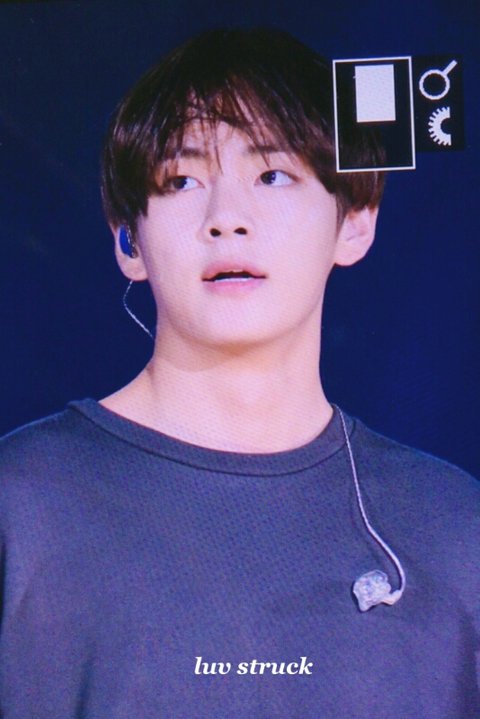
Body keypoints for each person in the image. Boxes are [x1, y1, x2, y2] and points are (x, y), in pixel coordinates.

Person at [0, 26, 478, 719]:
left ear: (355, 221)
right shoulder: (23, 507)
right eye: (182, 180)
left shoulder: (454, 528)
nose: (226, 219)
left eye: (272, 175)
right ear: (129, 239)